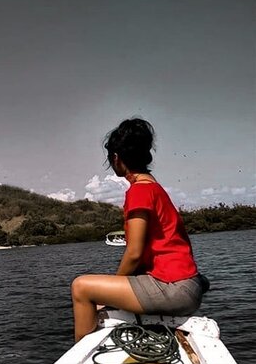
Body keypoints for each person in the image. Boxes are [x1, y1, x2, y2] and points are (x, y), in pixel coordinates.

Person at [71, 118, 208, 343]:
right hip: (187, 283)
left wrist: (109, 295)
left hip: (174, 287)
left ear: (116, 158)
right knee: (96, 291)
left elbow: (134, 252)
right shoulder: (154, 187)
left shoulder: (139, 191)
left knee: (81, 288)